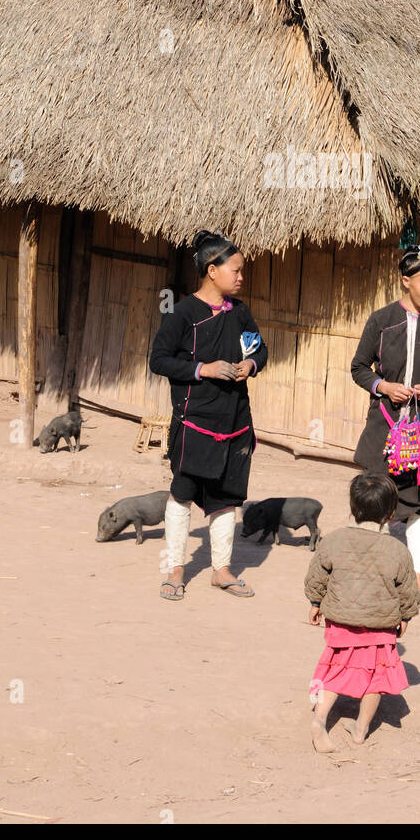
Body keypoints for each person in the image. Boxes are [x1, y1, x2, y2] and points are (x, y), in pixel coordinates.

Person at [149, 230, 267, 600]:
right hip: (194, 422)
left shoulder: (241, 313)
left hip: (234, 422)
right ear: (212, 270)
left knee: (227, 498)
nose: (241, 276)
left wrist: (251, 363)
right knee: (182, 495)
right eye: (236, 270)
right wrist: (204, 369)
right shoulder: (182, 314)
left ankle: (221, 570)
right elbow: (160, 360)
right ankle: (175, 567)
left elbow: (261, 350)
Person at [350, 245, 420, 607]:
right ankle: (370, 574)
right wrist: (382, 386)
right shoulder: (381, 321)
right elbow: (358, 368)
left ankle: (415, 578)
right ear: (406, 281)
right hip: (385, 429)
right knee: (376, 500)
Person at [305, 472, 419, 752]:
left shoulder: (333, 540)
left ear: (352, 508)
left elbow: (316, 576)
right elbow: (408, 590)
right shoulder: (397, 550)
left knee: (333, 671)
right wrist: (406, 616)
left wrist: (315, 602)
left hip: (341, 623)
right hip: (379, 628)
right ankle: (360, 729)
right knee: (375, 679)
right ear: (392, 513)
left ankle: (320, 719)